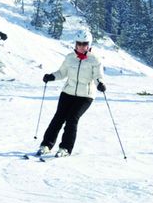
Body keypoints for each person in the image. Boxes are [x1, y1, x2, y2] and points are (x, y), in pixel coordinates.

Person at [37, 27, 107, 158]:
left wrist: (100, 84)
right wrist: (51, 76)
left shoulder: (95, 60)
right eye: (79, 43)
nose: (81, 46)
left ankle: (65, 148)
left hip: (85, 96)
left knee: (72, 119)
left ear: (89, 45)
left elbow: (98, 76)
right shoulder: (70, 58)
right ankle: (46, 145)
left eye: (84, 44)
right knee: (58, 118)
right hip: (67, 93)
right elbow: (62, 73)